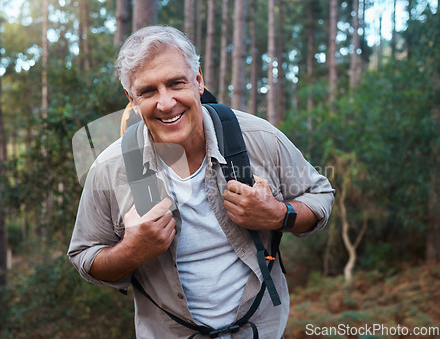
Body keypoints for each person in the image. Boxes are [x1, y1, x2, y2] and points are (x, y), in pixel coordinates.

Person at [68, 25, 335, 338]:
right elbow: (85, 256)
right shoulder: (112, 168)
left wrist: (279, 214)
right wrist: (132, 250)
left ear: (198, 80)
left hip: (261, 329)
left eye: (175, 83)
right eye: (148, 91)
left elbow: (320, 194)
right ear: (132, 98)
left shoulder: (258, 138)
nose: (166, 103)